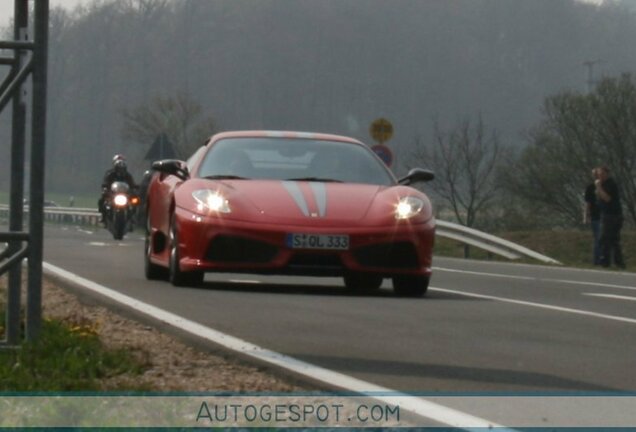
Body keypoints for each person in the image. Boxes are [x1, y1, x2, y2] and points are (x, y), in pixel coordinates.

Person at [595, 165, 625, 269]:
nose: (600, 176)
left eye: (602, 174)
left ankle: (605, 262)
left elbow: (607, 198)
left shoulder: (610, 184)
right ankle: (619, 263)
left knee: (604, 239)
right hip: (608, 214)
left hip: (612, 216)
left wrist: (598, 187)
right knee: (613, 240)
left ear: (607, 174)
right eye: (598, 174)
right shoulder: (603, 183)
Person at [98, 154, 137, 223]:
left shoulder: (127, 175)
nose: (120, 169)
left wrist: (134, 188)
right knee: (102, 200)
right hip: (113, 193)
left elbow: (132, 183)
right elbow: (106, 181)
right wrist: (105, 188)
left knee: (135, 200)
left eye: (122, 168)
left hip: (124, 194)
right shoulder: (110, 174)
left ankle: (132, 216)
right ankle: (103, 216)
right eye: (119, 168)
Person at [583, 168, 601, 265]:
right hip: (596, 216)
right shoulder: (590, 188)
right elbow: (587, 203)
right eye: (595, 175)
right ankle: (597, 261)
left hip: (606, 216)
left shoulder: (606, 186)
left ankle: (606, 260)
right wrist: (586, 217)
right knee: (598, 238)